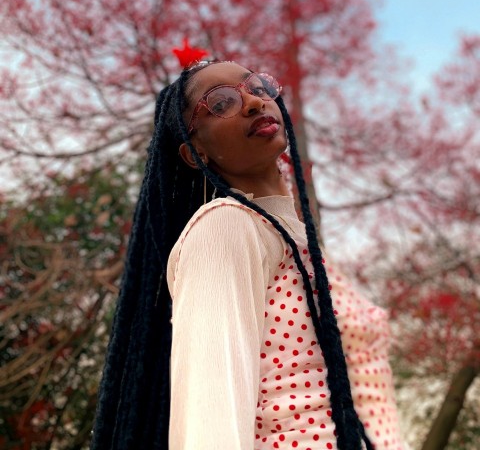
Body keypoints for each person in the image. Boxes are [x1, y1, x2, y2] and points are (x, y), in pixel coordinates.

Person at [91, 57, 405, 450]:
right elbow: (210, 421)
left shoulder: (297, 238)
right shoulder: (225, 228)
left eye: (257, 88)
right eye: (220, 104)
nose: (254, 103)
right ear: (195, 152)